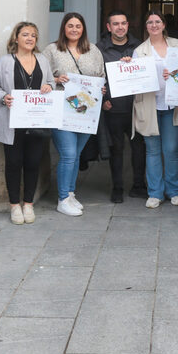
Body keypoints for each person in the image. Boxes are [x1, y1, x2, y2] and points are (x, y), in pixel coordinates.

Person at [0, 21, 55, 225]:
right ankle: (14, 205)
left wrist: (48, 87)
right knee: (13, 163)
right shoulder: (5, 61)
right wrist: (3, 98)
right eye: (25, 34)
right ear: (16, 38)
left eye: (33, 35)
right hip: (12, 122)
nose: (29, 38)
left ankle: (28, 204)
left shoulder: (42, 60)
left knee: (33, 163)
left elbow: (51, 83)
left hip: (36, 121)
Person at [43, 12, 105, 216]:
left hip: (86, 111)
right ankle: (62, 199)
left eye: (78, 26)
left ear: (83, 29)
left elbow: (101, 76)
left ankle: (70, 193)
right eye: (70, 26)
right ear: (63, 28)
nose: (74, 29)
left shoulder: (93, 50)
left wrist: (101, 89)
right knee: (68, 154)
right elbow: (40, 75)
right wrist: (55, 79)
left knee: (76, 154)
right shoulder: (52, 50)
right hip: (62, 108)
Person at [133, 12, 178, 208]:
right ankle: (155, 192)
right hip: (150, 107)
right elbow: (134, 80)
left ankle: (174, 190)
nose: (154, 25)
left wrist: (175, 73)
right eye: (150, 22)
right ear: (146, 26)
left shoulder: (177, 45)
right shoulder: (139, 50)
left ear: (164, 25)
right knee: (152, 151)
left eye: (157, 22)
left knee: (170, 149)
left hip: (171, 105)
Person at [97, 10, 147, 202]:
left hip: (137, 106)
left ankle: (139, 185)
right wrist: (103, 100)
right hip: (113, 108)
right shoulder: (99, 50)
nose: (120, 27)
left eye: (123, 23)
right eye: (115, 24)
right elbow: (95, 76)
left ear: (128, 25)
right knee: (116, 149)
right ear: (109, 27)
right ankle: (117, 187)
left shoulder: (140, 47)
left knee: (139, 149)